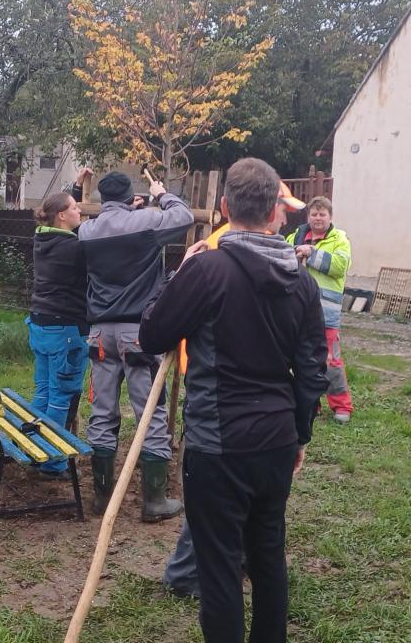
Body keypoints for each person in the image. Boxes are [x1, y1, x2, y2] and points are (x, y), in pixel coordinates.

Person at [140, 157, 327, 643]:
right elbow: (313, 370)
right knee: (267, 555)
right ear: (275, 212)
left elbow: (152, 334)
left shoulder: (206, 270)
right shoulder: (302, 281)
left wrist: (180, 272)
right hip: (276, 442)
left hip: (218, 448)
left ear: (224, 207)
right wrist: (300, 434)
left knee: (220, 568)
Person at [163, 180, 305, 599]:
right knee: (218, 503)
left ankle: (233, 561)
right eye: (284, 209)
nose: (286, 218)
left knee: (232, 501)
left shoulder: (275, 257)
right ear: (267, 209)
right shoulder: (217, 253)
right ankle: (189, 571)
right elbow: (166, 326)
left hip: (246, 401)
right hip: (222, 393)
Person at [78, 170, 194, 521]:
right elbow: (184, 217)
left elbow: (115, 225)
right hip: (138, 334)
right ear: (132, 197)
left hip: (100, 334)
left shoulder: (87, 231)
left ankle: (102, 498)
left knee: (102, 412)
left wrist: (130, 209)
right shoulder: (146, 222)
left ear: (102, 199)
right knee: (150, 413)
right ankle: (154, 501)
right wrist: (161, 193)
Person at [27, 188, 89, 479]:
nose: (81, 211)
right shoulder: (73, 248)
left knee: (43, 391)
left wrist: (75, 187)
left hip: (40, 324)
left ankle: (35, 449)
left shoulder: (42, 239)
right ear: (62, 216)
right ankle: (53, 464)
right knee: (60, 397)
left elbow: (57, 206)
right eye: (75, 207)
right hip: (65, 330)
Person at [287, 196, 354, 423]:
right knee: (302, 359)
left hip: (326, 314)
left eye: (322, 214)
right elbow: (282, 259)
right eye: (314, 214)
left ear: (330, 217)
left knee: (331, 361)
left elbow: (339, 266)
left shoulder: (339, 239)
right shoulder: (294, 237)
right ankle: (310, 402)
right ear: (308, 217)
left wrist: (311, 253)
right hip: (298, 312)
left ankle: (341, 406)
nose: (318, 218)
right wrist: (295, 253)